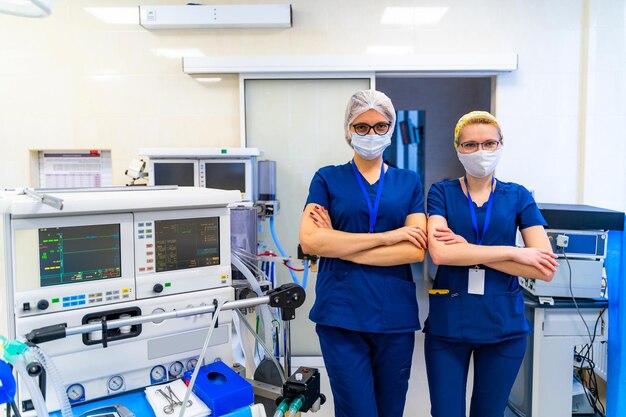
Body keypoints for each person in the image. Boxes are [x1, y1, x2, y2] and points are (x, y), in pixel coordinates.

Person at [299, 89, 427, 417]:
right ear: (348, 130)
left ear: (391, 128)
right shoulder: (327, 178)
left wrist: (339, 245)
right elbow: (311, 241)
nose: (371, 134)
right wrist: (390, 236)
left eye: (380, 126)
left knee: (390, 411)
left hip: (394, 317)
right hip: (341, 316)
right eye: (362, 126)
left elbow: (414, 250)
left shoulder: (408, 181)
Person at [424, 111, 559, 417]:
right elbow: (442, 254)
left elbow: (544, 268)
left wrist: (468, 249)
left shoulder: (519, 196)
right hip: (449, 326)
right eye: (470, 145)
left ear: (501, 145)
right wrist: (514, 253)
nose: (480, 152)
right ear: (458, 148)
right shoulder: (441, 193)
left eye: (488, 143)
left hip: (503, 329)